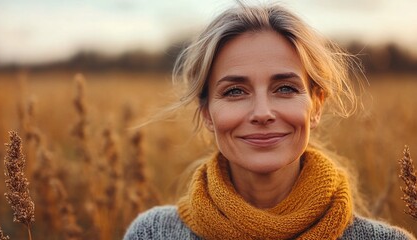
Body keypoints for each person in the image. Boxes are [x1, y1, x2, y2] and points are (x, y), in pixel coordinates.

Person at [123, 2, 415, 239]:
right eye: (235, 91)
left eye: (285, 88)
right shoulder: (152, 233)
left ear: (316, 107)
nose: (262, 113)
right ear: (207, 114)